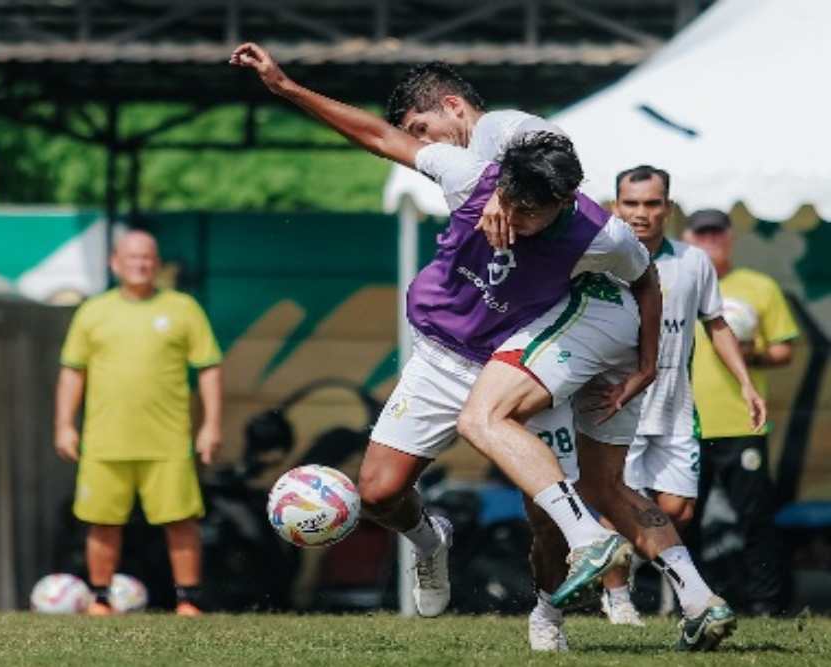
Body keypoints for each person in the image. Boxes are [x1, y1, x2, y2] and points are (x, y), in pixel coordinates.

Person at [230, 44, 680, 639]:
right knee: (378, 492)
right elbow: (375, 137)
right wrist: (286, 88)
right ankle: (428, 538)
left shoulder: (521, 154)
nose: (424, 141)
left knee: (546, 516)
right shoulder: (464, 172)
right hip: (441, 358)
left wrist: (647, 364)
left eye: (422, 127)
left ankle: (547, 618)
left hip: (520, 362)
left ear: (450, 106)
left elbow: (560, 155)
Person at [382, 62, 736, 652]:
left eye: (652, 203)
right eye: (632, 201)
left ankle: (567, 581)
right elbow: (647, 282)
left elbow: (645, 279)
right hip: (617, 351)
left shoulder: (499, 135)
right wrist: (647, 365)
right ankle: (700, 598)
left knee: (484, 421)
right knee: (609, 489)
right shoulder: (579, 219)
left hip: (580, 335)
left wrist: (649, 366)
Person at [590, 167, 766, 626]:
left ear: (668, 208)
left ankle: (608, 557)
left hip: (674, 407)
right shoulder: (598, 260)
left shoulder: (692, 262)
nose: (641, 214)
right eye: (631, 204)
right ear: (616, 207)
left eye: (651, 204)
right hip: (618, 406)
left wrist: (746, 382)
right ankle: (617, 594)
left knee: (677, 510)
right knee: (621, 501)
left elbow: (716, 323)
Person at [55, 229, 223, 616]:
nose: (140, 264)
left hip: (167, 441)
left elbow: (209, 369)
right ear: (115, 263)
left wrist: (211, 425)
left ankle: (188, 600)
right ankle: (100, 598)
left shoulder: (184, 309)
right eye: (132, 257)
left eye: (147, 257)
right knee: (101, 521)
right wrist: (64, 424)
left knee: (181, 519)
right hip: (105, 440)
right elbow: (72, 372)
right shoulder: (93, 311)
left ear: (158, 264)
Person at [684, 209, 798, 616]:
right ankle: (691, 602)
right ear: (688, 237)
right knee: (682, 519)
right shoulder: (676, 282)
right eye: (702, 232)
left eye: (718, 231)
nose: (711, 238)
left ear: (731, 237)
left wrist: (752, 352)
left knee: (755, 517)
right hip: (683, 424)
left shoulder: (758, 286)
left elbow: (785, 349)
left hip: (741, 422)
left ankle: (766, 603)